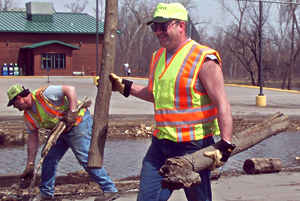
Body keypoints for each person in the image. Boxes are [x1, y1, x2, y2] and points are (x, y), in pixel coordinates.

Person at [109, 2, 234, 201]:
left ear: (181, 26)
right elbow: (153, 94)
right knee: (147, 198)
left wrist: (225, 145)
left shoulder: (204, 58)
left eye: (163, 26)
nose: (158, 32)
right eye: (154, 27)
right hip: (161, 144)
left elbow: (222, 104)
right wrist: (124, 86)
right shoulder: (157, 57)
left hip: (194, 146)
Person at [6, 84, 118, 201]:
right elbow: (32, 138)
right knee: (48, 158)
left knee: (85, 158)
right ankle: (46, 193)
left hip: (78, 123)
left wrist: (72, 112)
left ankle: (109, 189)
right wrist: (30, 164)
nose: (15, 107)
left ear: (19, 98)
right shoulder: (28, 116)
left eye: (14, 104)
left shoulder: (44, 94)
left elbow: (70, 89)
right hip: (60, 131)